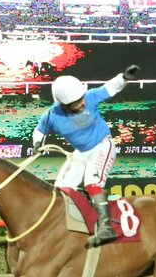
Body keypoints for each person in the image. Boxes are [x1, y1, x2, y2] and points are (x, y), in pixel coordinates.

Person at [33, 65, 140, 245]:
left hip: (102, 145)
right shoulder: (51, 115)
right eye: (76, 103)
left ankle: (107, 227)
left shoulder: (90, 98)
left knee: (93, 182)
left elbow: (109, 88)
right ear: (63, 105)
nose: (82, 103)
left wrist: (123, 77)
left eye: (81, 99)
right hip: (81, 153)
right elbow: (40, 130)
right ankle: (70, 229)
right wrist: (37, 143)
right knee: (61, 189)